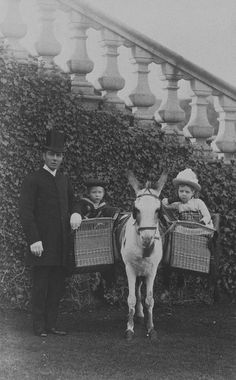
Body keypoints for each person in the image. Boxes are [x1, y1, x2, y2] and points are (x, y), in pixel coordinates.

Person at [19, 129, 81, 337]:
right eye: (51, 154)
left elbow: (75, 201)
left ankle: (51, 324)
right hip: (42, 244)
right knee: (40, 286)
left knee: (56, 286)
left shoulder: (64, 179)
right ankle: (38, 326)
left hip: (61, 243)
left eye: (59, 155)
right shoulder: (33, 179)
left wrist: (76, 213)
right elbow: (25, 211)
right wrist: (33, 239)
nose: (55, 158)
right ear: (44, 155)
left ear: (62, 157)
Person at [161, 168, 214, 301]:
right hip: (185, 231)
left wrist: (202, 221)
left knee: (205, 231)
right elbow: (166, 206)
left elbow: (207, 215)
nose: (183, 194)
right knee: (174, 230)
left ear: (193, 193)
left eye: (187, 192)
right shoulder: (178, 204)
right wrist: (169, 200)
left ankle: (182, 284)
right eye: (181, 191)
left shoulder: (198, 203)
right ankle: (169, 285)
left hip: (198, 228)